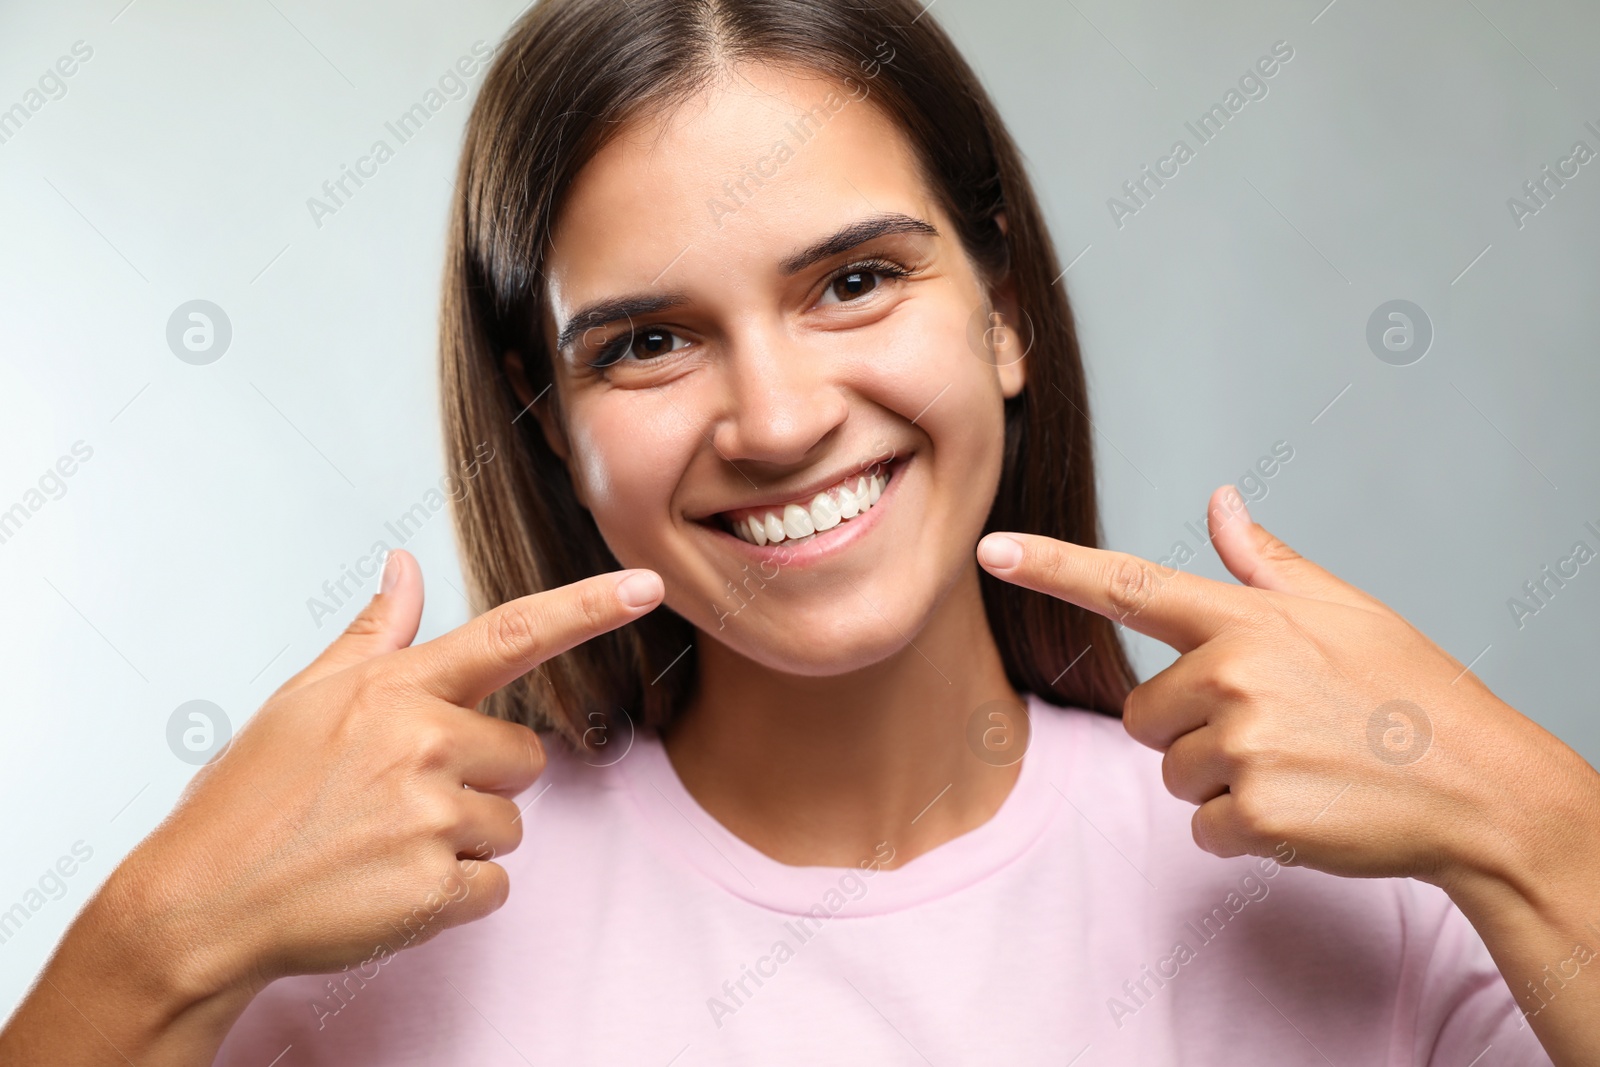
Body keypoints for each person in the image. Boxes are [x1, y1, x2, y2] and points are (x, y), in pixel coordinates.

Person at [3, 0, 1595, 1063]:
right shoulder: (348, 949)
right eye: (646, 341)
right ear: (548, 422)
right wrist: (155, 936)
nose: (774, 421)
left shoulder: (1371, 900)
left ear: (1008, 312)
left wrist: (1527, 815)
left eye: (853, 281)